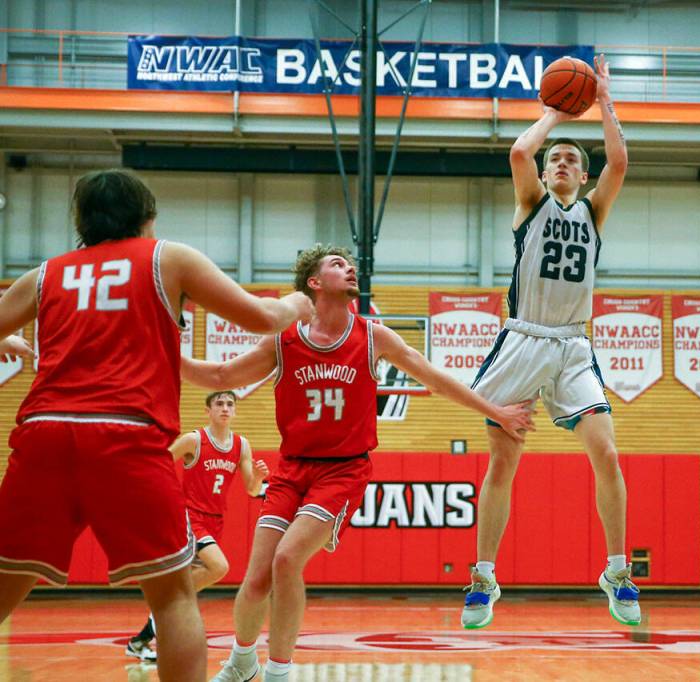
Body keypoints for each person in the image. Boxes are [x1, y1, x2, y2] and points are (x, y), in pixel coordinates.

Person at [0, 169, 312, 682]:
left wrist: (8, 342)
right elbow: (260, 317)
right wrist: (294, 305)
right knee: (171, 596)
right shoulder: (167, 257)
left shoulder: (46, 273)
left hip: (44, 433)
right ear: (147, 219)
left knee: (7, 580)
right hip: (124, 432)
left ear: (82, 221)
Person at [188, 245, 534, 682]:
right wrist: (164, 355)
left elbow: (435, 378)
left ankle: (279, 671)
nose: (350, 268)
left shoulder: (373, 336)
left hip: (342, 470)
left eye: (349, 264)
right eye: (337, 264)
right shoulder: (285, 339)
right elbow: (220, 377)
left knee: (286, 561)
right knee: (256, 576)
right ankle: (242, 662)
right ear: (314, 284)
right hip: (292, 467)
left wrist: (496, 411)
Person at [461, 55, 635, 629]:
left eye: (569, 161)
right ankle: (483, 578)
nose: (560, 162)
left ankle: (617, 571)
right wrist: (554, 115)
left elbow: (620, 160)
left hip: (574, 346)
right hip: (523, 339)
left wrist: (603, 99)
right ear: (545, 172)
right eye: (554, 158)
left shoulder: (594, 211)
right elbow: (518, 153)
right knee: (503, 463)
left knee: (606, 453)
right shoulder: (530, 203)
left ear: (581, 177)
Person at [126, 390, 269, 663]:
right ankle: (170, 609)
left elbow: (252, 490)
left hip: (216, 520)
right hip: (189, 516)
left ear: (235, 411)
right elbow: (160, 464)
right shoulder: (195, 440)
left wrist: (259, 477)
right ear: (208, 411)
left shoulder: (241, 445)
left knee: (182, 585)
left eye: (230, 404)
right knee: (219, 567)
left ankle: (142, 638)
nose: (225, 408)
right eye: (219, 404)